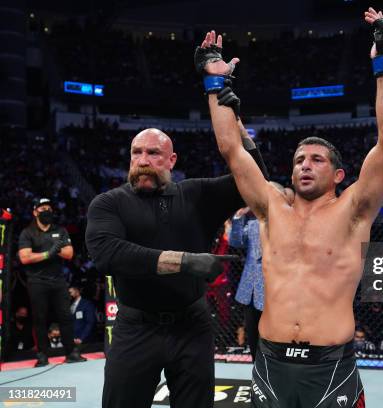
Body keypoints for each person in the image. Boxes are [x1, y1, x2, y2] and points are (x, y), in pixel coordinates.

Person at [203, 7, 383, 406]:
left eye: (316, 160)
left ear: (339, 175)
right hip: (270, 361)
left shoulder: (354, 210)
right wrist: (213, 78)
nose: (305, 165)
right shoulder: (271, 208)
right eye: (298, 160)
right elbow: (230, 148)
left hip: (330, 368)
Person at [85, 74, 269, 406]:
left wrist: (236, 123)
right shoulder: (109, 203)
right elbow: (108, 255)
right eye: (136, 153)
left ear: (171, 160)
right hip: (134, 326)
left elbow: (255, 180)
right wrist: (185, 261)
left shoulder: (197, 194)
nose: (143, 161)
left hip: (191, 324)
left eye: (153, 153)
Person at [17, 197, 86, 367]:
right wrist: (49, 252)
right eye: (42, 208)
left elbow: (69, 253)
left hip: (58, 281)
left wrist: (54, 250)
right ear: (35, 212)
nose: (46, 211)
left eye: (48, 208)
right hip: (37, 282)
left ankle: (71, 353)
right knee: (40, 319)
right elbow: (24, 257)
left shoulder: (60, 230)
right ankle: (42, 355)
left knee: (65, 317)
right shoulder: (28, 232)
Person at [229, 182, 291, 360]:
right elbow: (236, 242)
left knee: (275, 340)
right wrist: (239, 217)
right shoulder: (253, 223)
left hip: (276, 291)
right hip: (251, 290)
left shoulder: (289, 223)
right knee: (253, 338)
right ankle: (257, 375)